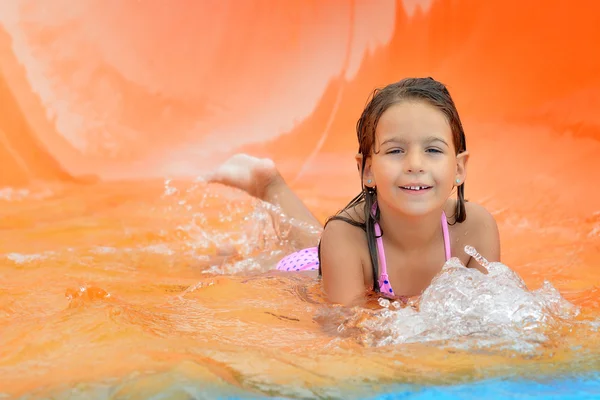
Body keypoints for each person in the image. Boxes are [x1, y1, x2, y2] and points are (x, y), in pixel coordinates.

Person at [207, 77, 501, 307]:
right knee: (295, 257)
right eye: (396, 150)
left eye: (433, 149)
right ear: (367, 170)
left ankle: (269, 184)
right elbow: (344, 332)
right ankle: (263, 194)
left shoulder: (475, 228)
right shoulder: (344, 237)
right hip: (310, 272)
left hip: (343, 254)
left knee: (317, 240)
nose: (415, 164)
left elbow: (488, 316)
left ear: (460, 168)